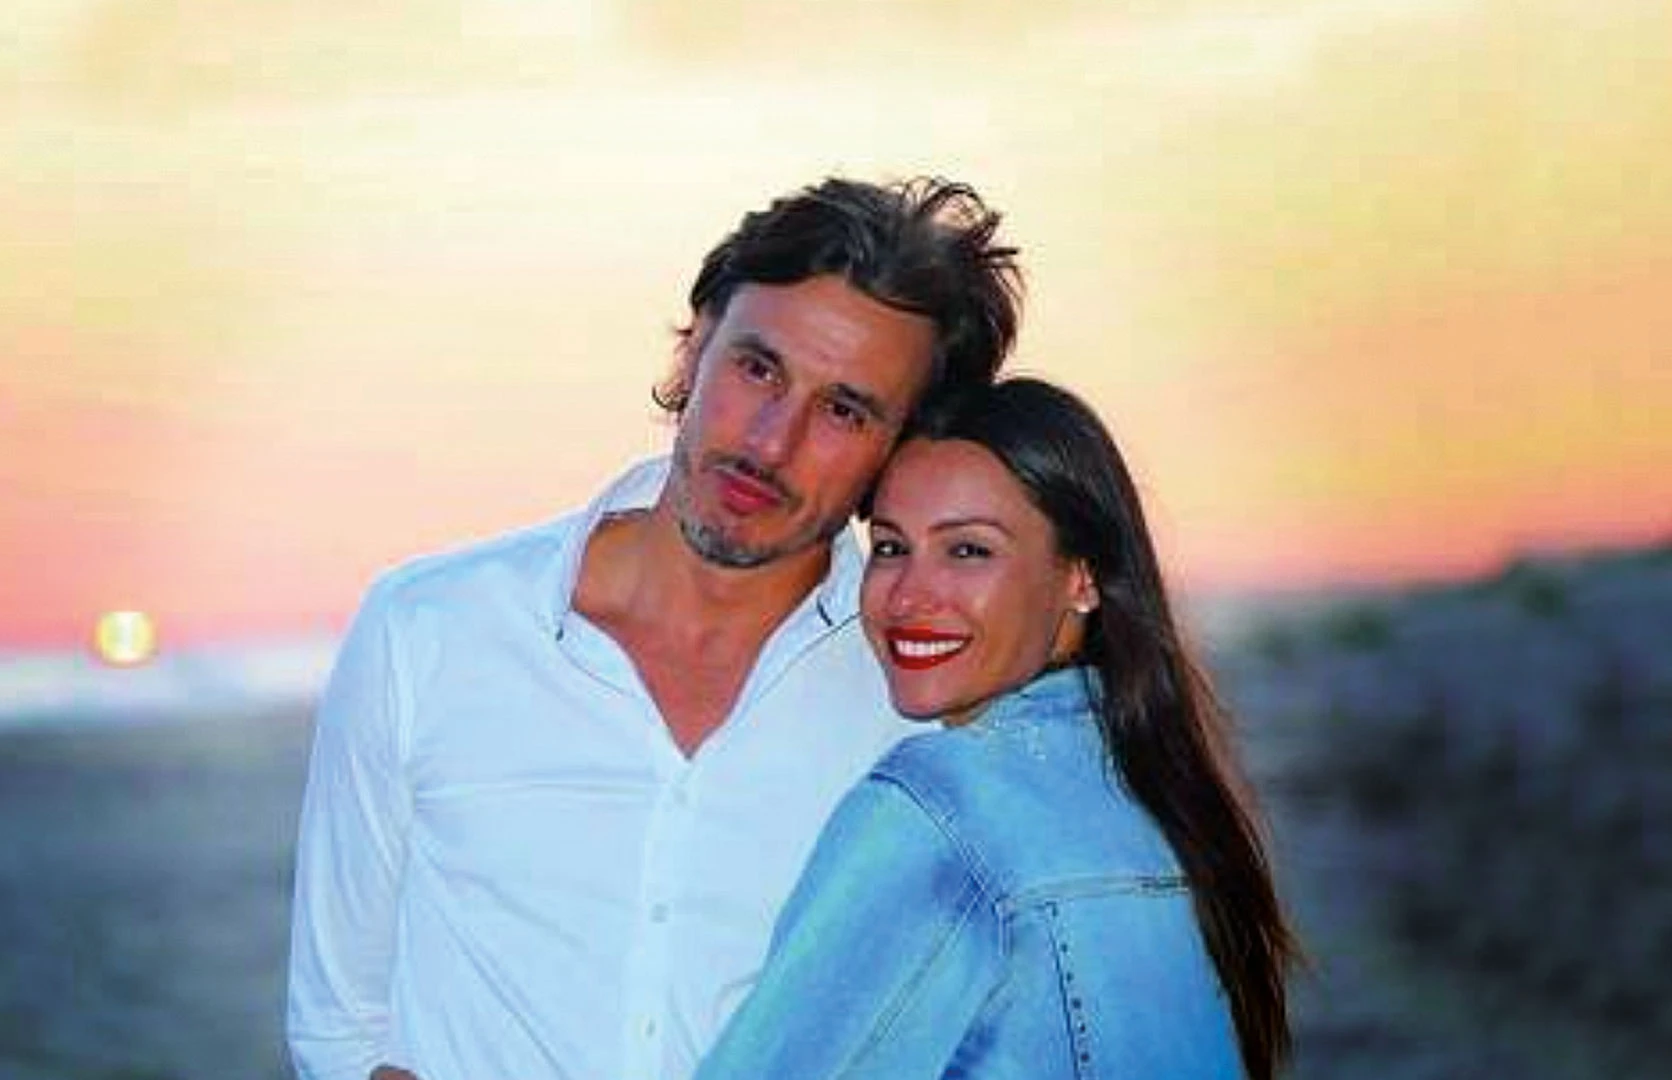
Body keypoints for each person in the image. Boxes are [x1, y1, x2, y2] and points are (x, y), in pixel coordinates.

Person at [286, 177, 1023, 1080]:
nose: (771, 442)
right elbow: (340, 1029)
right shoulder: (429, 631)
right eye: (758, 368)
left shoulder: (919, 712)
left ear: (902, 451)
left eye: (843, 410)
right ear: (693, 350)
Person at [694, 377, 1299, 1079]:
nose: (908, 595)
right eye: (889, 547)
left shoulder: (939, 809)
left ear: (1082, 576)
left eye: (968, 551)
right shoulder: (1158, 802)